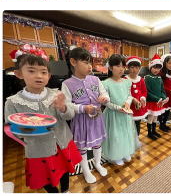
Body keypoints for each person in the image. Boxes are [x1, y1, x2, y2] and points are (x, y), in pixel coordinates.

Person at [5, 46, 81, 193]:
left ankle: (66, 191)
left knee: (65, 170)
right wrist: (30, 128)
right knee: (45, 177)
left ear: (49, 75)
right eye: (31, 71)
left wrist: (63, 108)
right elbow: (12, 130)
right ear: (19, 74)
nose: (39, 76)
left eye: (43, 72)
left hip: (63, 143)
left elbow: (70, 115)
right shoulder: (13, 102)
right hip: (39, 150)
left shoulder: (56, 94)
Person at [61, 47, 108, 184]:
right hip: (80, 121)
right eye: (86, 63)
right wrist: (82, 108)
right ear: (73, 62)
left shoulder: (95, 79)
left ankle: (97, 164)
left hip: (97, 118)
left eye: (90, 63)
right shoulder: (67, 84)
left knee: (97, 143)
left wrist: (105, 98)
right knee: (82, 147)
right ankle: (86, 171)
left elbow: (104, 93)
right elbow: (67, 105)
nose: (90, 66)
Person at [101, 54, 137, 166]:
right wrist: (118, 108)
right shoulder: (105, 83)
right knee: (115, 135)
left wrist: (127, 103)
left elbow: (129, 95)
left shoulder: (126, 81)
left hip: (125, 113)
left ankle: (125, 152)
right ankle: (116, 155)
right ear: (111, 68)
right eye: (118, 66)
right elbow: (106, 102)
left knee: (126, 133)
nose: (121, 69)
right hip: (113, 114)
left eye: (123, 66)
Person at [145, 55, 167, 140]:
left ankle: (154, 131)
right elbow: (147, 92)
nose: (156, 70)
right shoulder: (147, 77)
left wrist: (164, 97)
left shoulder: (159, 78)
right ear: (150, 67)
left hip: (158, 102)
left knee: (155, 117)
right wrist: (157, 99)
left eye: (158, 68)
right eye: (154, 67)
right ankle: (149, 133)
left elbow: (162, 90)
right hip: (151, 101)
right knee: (151, 118)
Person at [126, 56, 148, 137]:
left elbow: (144, 91)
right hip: (129, 107)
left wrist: (142, 98)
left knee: (137, 124)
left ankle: (136, 139)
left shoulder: (141, 79)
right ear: (128, 68)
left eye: (137, 67)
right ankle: (128, 140)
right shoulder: (125, 79)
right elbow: (124, 93)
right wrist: (132, 99)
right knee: (128, 125)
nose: (134, 70)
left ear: (139, 68)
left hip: (138, 107)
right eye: (132, 67)